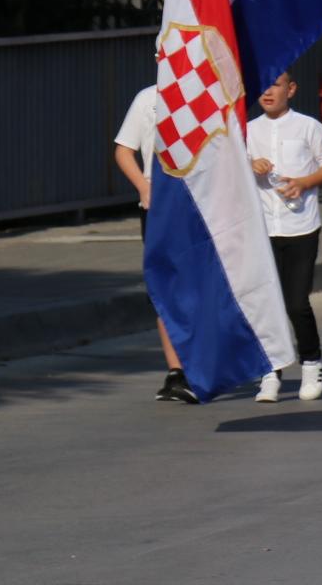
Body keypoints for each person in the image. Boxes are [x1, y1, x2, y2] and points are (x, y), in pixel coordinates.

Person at [246, 71, 322, 404]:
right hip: (262, 228)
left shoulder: (308, 127)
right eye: (264, 85)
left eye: (276, 84)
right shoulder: (247, 130)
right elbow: (229, 169)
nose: (269, 91)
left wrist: (304, 181)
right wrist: (249, 163)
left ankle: (312, 362)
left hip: (300, 226)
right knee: (264, 303)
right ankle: (270, 371)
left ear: (291, 89)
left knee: (296, 302)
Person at [112, 81, 195, 404]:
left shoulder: (205, 91)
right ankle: (176, 372)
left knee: (196, 286)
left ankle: (199, 364)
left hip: (198, 204)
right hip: (159, 206)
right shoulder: (148, 98)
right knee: (164, 287)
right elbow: (123, 150)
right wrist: (143, 188)